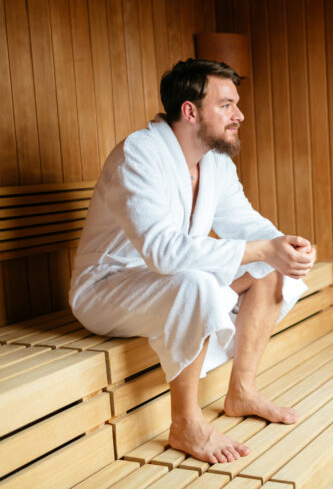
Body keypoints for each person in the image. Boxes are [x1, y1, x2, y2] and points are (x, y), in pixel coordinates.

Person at [69, 58, 316, 464]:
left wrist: (284, 245)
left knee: (269, 266)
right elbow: (164, 252)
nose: (239, 114)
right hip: (108, 289)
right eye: (226, 105)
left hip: (166, 280)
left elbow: (244, 224)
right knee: (195, 282)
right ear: (190, 110)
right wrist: (260, 248)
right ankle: (185, 422)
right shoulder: (139, 154)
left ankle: (243, 391)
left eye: (236, 104)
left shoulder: (215, 163)